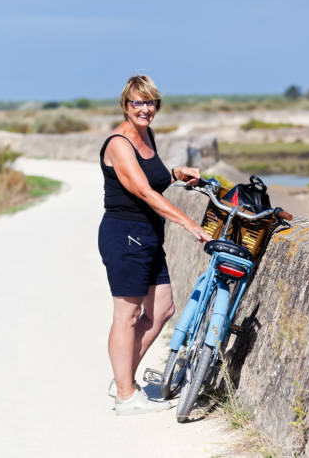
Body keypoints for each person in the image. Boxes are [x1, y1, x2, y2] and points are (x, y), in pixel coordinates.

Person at [98, 75, 212, 416]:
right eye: (138, 102)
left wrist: (176, 173)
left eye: (150, 103)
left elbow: (156, 178)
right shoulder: (119, 143)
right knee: (128, 315)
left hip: (148, 234)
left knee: (162, 309)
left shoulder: (147, 135)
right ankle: (125, 396)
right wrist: (189, 222)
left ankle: (123, 378)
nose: (145, 109)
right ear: (125, 105)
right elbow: (144, 192)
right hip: (124, 234)